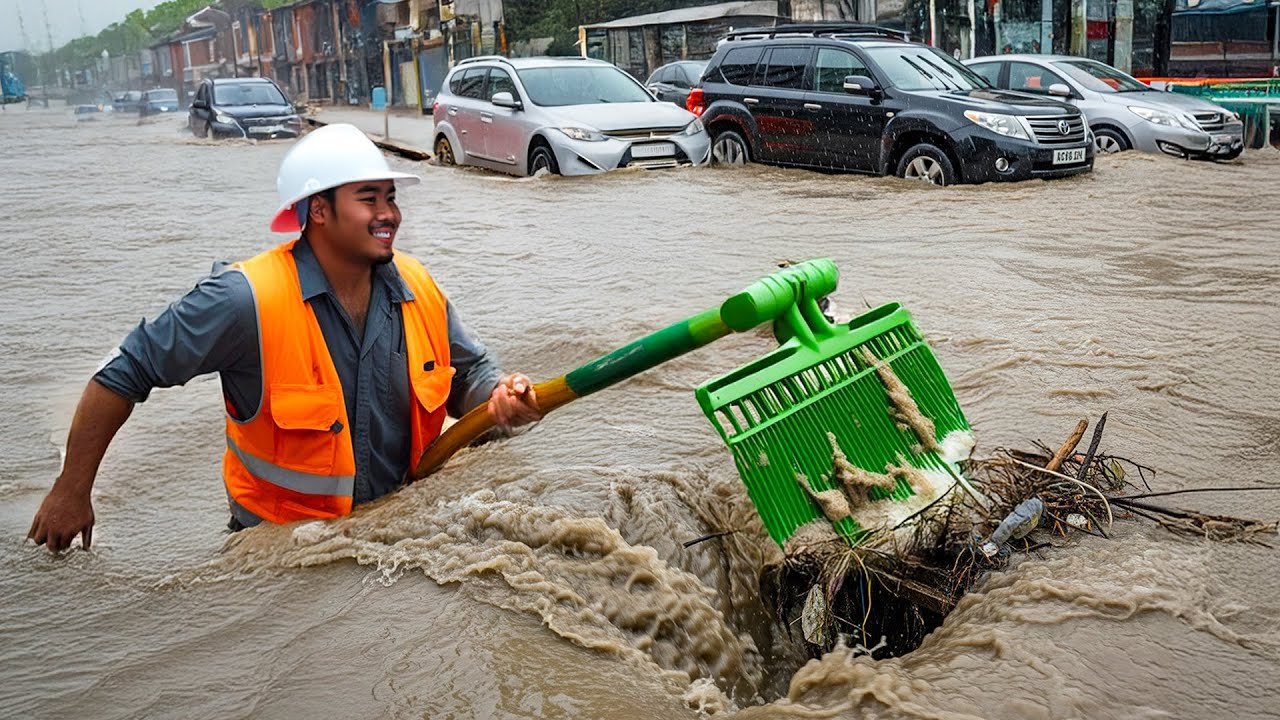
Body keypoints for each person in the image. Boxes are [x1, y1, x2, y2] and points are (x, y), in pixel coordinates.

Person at [27, 123, 543, 551]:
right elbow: (126, 370)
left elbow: (469, 373)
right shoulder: (242, 300)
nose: (390, 214)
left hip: (399, 538)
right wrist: (72, 490)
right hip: (282, 558)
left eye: (390, 197)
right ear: (318, 210)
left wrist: (497, 398)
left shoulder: (417, 288)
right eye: (369, 199)